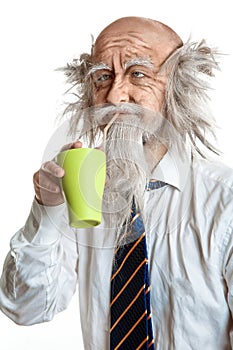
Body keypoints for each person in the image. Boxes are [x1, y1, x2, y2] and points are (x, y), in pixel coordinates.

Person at [0, 16, 233, 349]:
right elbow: (25, 307)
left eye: (138, 73)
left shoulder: (224, 200)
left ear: (180, 85)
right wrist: (48, 209)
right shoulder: (81, 191)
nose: (114, 96)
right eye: (102, 77)